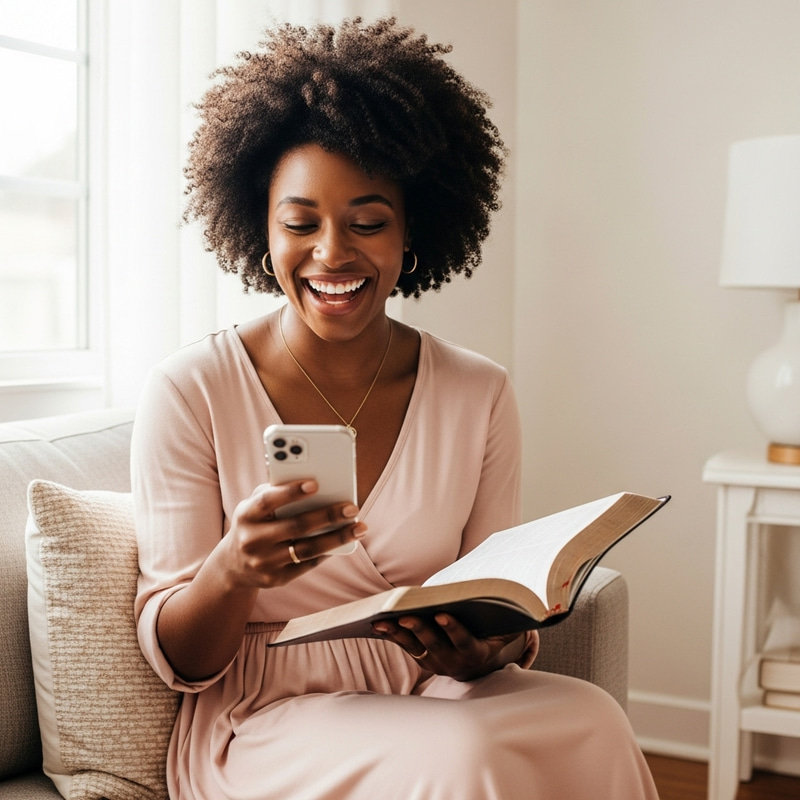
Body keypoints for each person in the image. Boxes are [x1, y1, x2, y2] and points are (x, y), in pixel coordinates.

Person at [132, 17, 659, 800]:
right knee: (458, 758)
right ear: (259, 228)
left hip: (429, 690)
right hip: (265, 715)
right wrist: (232, 570)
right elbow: (181, 659)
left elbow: (500, 604)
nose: (333, 254)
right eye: (299, 223)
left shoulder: (480, 391)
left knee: (592, 718)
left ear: (412, 230)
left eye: (368, 223)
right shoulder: (190, 389)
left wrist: (489, 650)